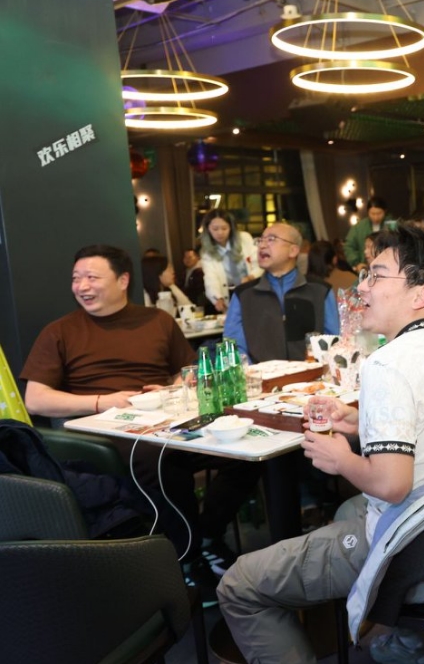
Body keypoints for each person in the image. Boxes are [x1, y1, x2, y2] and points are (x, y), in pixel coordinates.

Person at [218, 225, 424, 664]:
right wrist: (360, 423)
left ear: (420, 293)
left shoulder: (389, 362)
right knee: (347, 509)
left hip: (413, 542)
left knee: (238, 584)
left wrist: (340, 459)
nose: (361, 287)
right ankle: (405, 642)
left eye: (376, 276)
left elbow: (392, 485)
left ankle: (395, 632)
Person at [20, 244, 260, 582]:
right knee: (160, 460)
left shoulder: (157, 320)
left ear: (122, 281)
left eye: (92, 277)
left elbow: (186, 372)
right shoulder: (60, 331)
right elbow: (36, 399)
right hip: (106, 432)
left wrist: (171, 389)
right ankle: (185, 559)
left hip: (167, 419)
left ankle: (206, 534)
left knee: (245, 450)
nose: (82, 286)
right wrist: (102, 401)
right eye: (76, 278)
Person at [223, 223, 340, 363]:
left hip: (311, 375)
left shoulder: (320, 291)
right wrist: (253, 371)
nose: (262, 246)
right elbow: (233, 347)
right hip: (260, 376)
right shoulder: (243, 295)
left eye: (271, 239)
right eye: (260, 240)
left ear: (293, 251)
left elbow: (334, 342)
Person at [199, 209, 261, 313]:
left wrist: (251, 277)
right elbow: (210, 278)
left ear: (231, 228)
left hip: (252, 289)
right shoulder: (207, 253)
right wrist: (217, 298)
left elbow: (259, 263)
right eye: (215, 229)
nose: (220, 233)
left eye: (224, 228)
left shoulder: (244, 238)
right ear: (208, 229)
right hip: (230, 294)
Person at [344, 196, 393, 271]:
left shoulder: (392, 225)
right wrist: (356, 263)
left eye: (379, 213)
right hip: (365, 267)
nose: (376, 217)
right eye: (372, 213)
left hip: (388, 267)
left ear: (385, 211)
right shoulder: (359, 227)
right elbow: (349, 246)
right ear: (368, 212)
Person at [181, 247, 212, 314]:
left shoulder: (201, 271)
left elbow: (197, 290)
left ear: (198, 258)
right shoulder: (185, 271)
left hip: (199, 305)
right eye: (185, 257)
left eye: (190, 257)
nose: (187, 260)